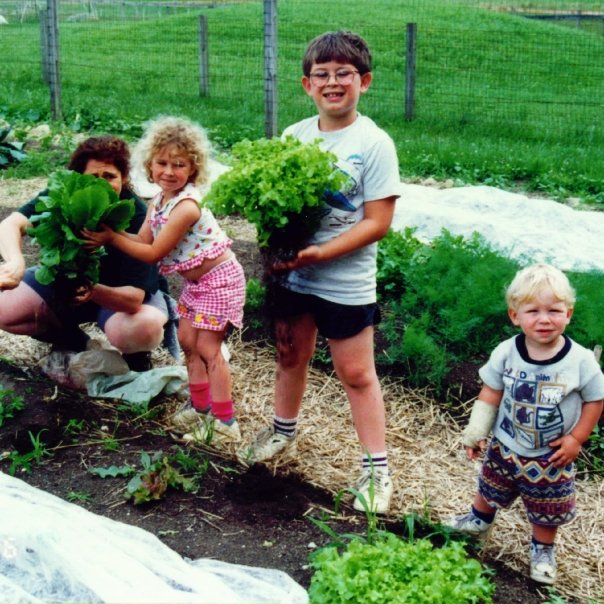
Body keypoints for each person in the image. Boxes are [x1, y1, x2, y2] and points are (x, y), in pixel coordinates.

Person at [243, 31, 401, 514]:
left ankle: (377, 470)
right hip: (292, 274)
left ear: (365, 82)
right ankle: (282, 433)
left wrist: (322, 253)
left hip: (344, 280)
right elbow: (274, 205)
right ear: (307, 85)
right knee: (290, 356)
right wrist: (278, 244)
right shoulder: (294, 136)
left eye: (344, 74)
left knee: (355, 373)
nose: (333, 83)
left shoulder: (373, 143)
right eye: (322, 75)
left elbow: (378, 222)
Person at [82, 116, 246, 446]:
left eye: (179, 164)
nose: (169, 171)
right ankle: (200, 407)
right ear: (150, 164)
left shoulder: (186, 205)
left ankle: (225, 422)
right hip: (197, 285)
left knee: (208, 349)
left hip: (221, 281)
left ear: (193, 169)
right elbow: (141, 240)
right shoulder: (158, 200)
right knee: (187, 341)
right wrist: (110, 233)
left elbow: (153, 252)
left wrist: (110, 237)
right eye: (161, 163)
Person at [446, 263, 604, 585]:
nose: (544, 319)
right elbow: (490, 393)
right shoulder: (507, 352)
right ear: (515, 316)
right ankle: (478, 522)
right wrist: (476, 431)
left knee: (547, 507)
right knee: (489, 486)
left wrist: (576, 439)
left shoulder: (581, 361)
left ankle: (543, 549)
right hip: (506, 444)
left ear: (568, 314)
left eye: (554, 310)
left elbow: (596, 400)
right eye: (533, 311)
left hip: (551, 456)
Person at [0, 135, 169, 372]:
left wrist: (91, 289)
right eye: (93, 177)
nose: (101, 184)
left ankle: (137, 356)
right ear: (79, 178)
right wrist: (15, 263)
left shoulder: (136, 214)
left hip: (120, 296)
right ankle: (72, 340)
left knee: (143, 328)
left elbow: (133, 299)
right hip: (67, 288)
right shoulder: (62, 196)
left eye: (110, 176)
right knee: (5, 307)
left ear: (124, 178)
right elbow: (10, 225)